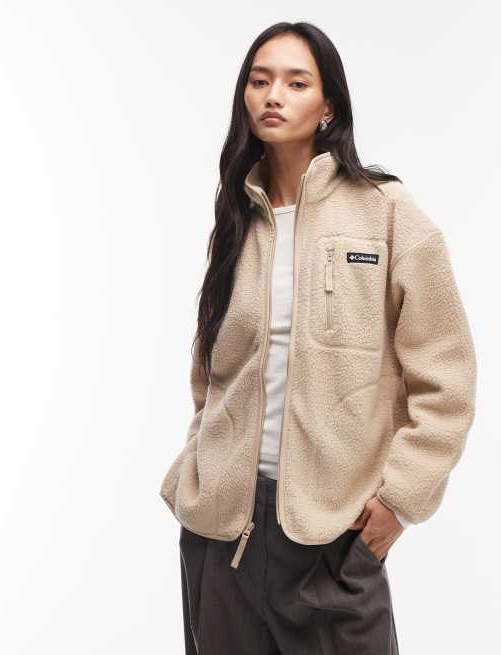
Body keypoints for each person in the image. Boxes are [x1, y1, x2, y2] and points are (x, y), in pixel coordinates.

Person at [160, 21, 477, 655]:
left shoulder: (387, 212)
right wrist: (200, 466)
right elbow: (210, 378)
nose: (273, 95)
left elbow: (447, 376)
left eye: (296, 82)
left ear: (328, 104)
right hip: (223, 537)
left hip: (334, 536)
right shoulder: (234, 223)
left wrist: (400, 500)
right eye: (260, 81)